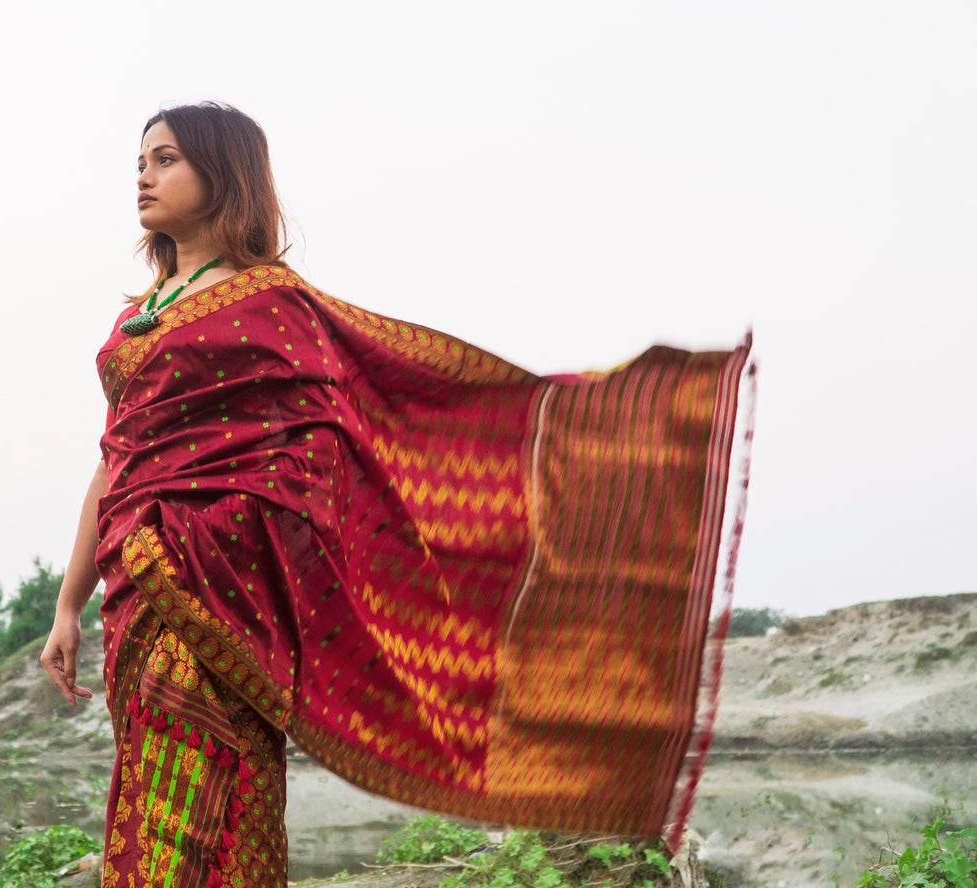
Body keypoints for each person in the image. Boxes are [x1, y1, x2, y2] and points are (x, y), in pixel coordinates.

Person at [41, 102, 752, 888]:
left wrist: (225, 527)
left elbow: (325, 445)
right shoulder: (134, 318)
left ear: (225, 172)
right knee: (149, 788)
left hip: (223, 592)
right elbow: (113, 459)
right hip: (133, 588)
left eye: (166, 158)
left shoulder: (271, 305)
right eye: (140, 161)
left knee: (216, 792)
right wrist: (68, 605)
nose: (143, 174)